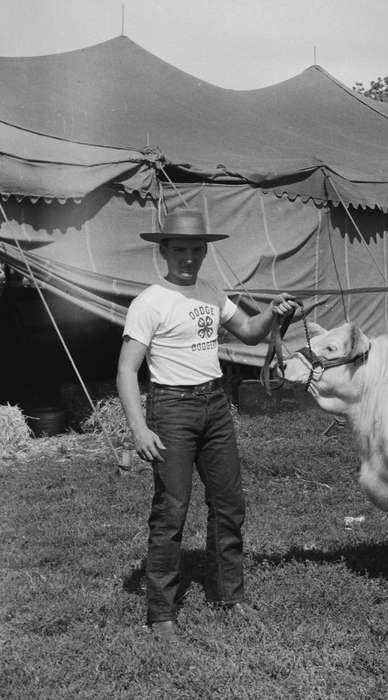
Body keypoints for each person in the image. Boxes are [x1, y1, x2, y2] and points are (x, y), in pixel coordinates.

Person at [116, 208, 300, 639]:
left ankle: (229, 596)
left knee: (229, 504)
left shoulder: (211, 292)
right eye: (179, 249)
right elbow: (127, 370)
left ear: (205, 251)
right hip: (172, 409)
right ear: (163, 250)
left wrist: (274, 312)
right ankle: (161, 613)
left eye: (196, 249)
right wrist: (139, 429)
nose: (188, 258)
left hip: (215, 405)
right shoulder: (149, 302)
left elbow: (252, 333)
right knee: (171, 510)